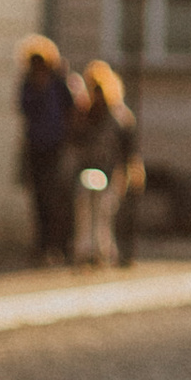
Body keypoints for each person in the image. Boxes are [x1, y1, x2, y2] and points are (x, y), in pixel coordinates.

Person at [17, 36, 79, 262]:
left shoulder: (58, 81)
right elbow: (24, 108)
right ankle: (42, 245)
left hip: (56, 146)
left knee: (57, 197)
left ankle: (60, 245)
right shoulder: (28, 83)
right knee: (39, 198)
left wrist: (69, 138)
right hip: (36, 146)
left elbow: (71, 109)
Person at [72, 56, 136, 265]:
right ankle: (85, 250)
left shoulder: (119, 117)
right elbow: (77, 142)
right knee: (85, 210)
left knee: (104, 212)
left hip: (110, 171)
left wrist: (128, 171)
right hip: (89, 169)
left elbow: (127, 149)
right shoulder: (86, 114)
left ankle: (103, 251)